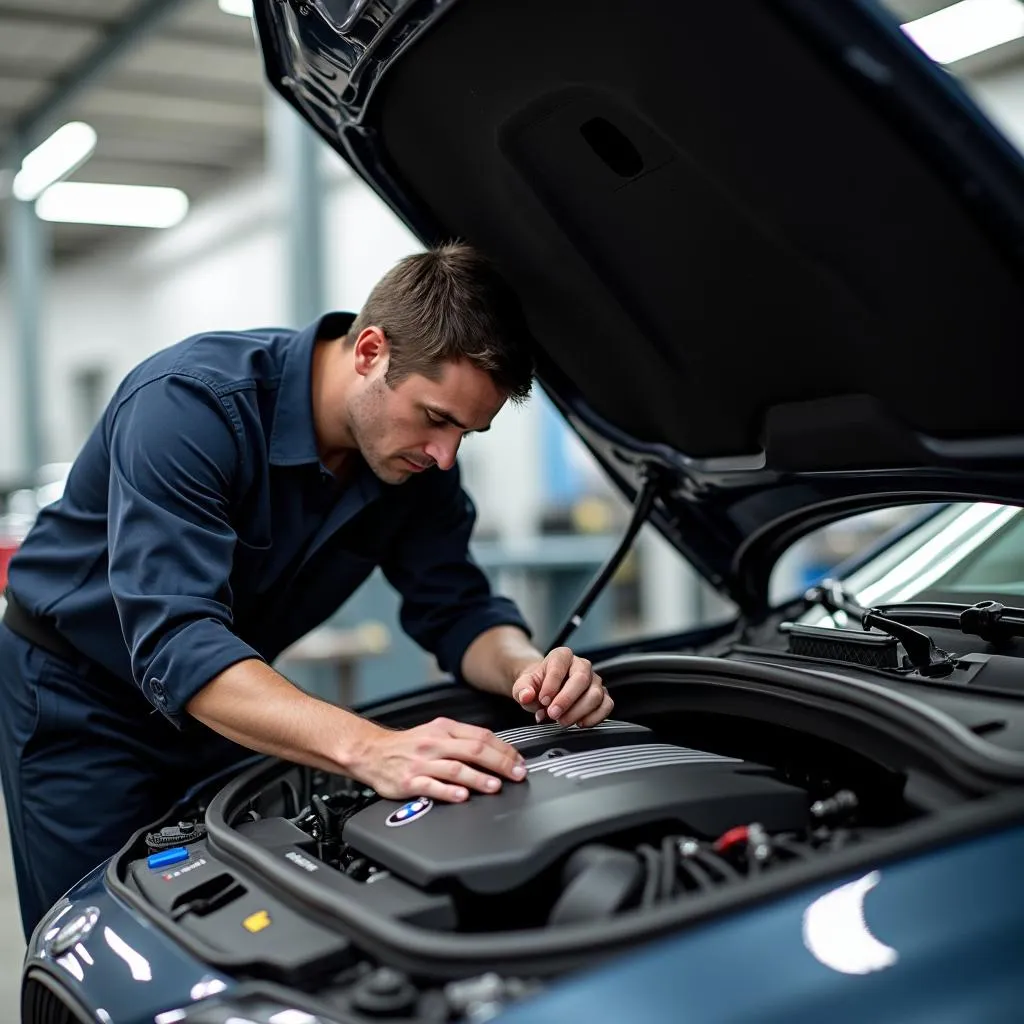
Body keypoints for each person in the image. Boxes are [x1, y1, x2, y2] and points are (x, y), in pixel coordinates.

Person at [0, 243, 611, 938]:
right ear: (371, 351)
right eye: (437, 418)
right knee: (105, 934)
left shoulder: (418, 468)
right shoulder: (190, 405)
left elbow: (459, 609)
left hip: (230, 697)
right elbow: (176, 640)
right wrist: (374, 747)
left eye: (468, 433)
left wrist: (525, 668)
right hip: (78, 698)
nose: (446, 457)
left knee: (236, 919)